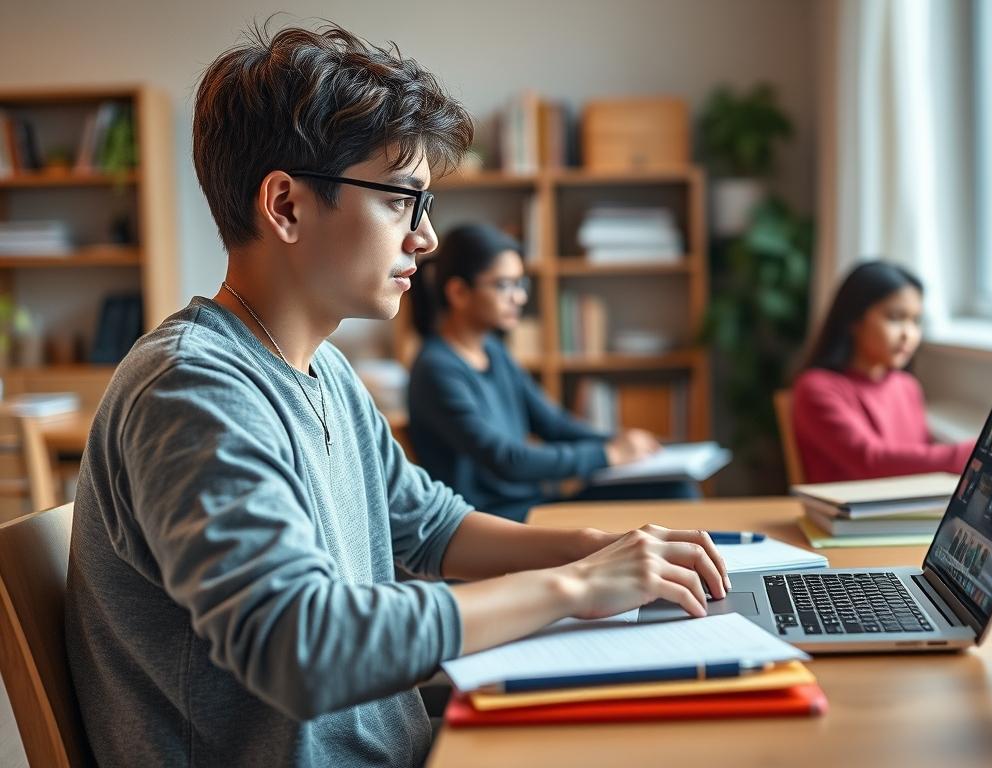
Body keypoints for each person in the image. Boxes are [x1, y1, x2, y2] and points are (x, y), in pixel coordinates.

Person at [65, 23, 729, 767]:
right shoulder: (191, 390)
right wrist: (573, 585)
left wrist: (601, 550)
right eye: (401, 201)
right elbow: (302, 646)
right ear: (284, 205)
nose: (428, 238)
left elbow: (429, 528)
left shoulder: (326, 372)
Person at [406, 222, 696, 522]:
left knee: (676, 488)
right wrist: (608, 454)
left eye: (520, 284)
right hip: (492, 520)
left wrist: (623, 444)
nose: (518, 297)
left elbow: (554, 425)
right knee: (675, 496)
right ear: (458, 292)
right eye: (503, 285)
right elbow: (506, 460)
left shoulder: (493, 351)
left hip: (535, 503)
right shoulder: (436, 368)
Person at [791, 261, 974, 483]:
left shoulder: (907, 386)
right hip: (846, 515)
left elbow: (918, 464)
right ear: (853, 319)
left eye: (916, 321)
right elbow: (871, 461)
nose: (909, 334)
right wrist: (971, 454)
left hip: (906, 511)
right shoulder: (815, 387)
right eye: (895, 318)